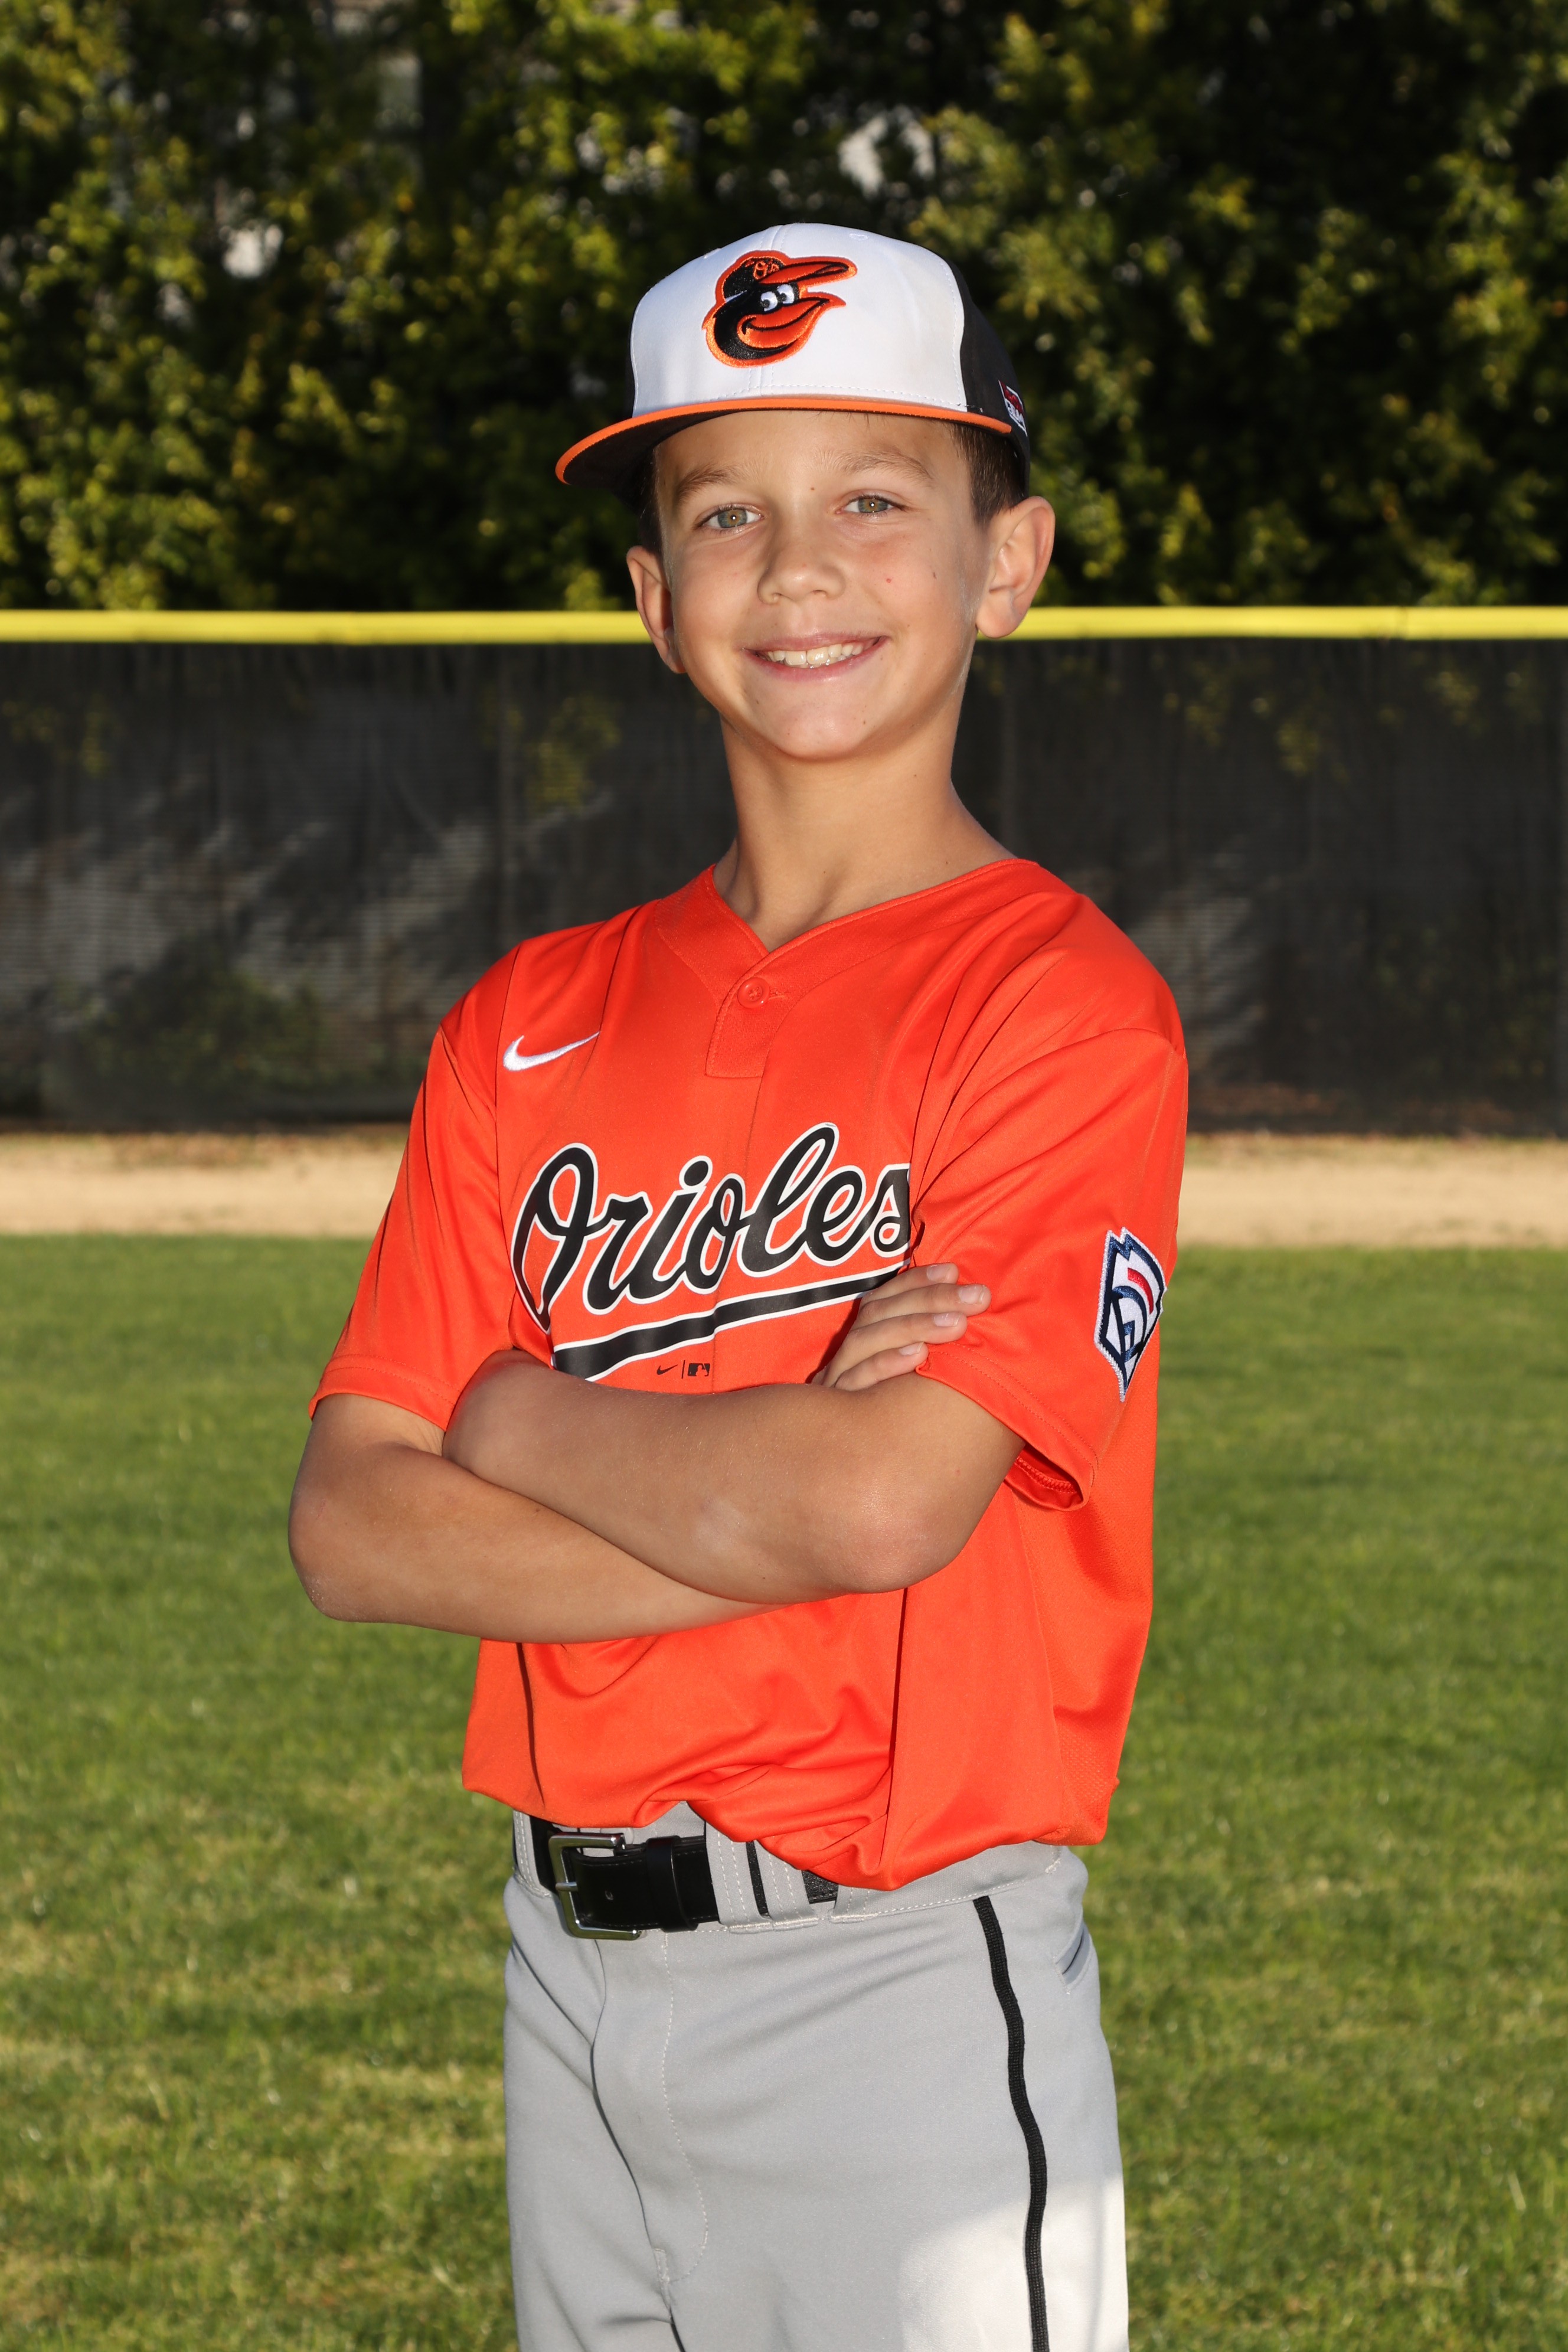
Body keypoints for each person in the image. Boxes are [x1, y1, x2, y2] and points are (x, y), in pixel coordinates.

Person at [289, 223, 1187, 2352]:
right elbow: (352, 1528)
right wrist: (765, 1494)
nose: (798, 571)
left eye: (873, 498)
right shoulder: (528, 1018)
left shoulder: (1058, 1006)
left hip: (900, 1982)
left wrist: (518, 1416)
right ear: (652, 598)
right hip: (568, 1976)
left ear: (1008, 560)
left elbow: (881, 1503)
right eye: (724, 515)